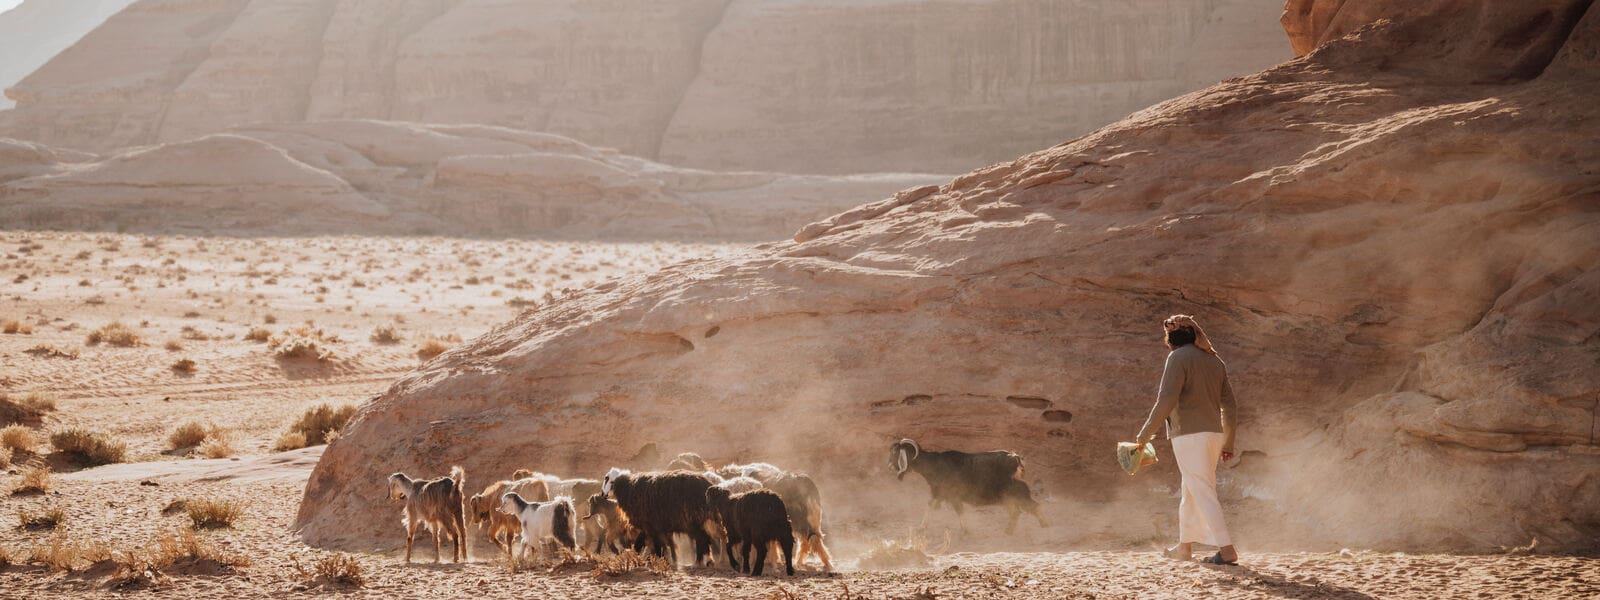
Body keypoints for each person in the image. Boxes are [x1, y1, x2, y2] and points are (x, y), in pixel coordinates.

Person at [1132, 314, 1239, 565]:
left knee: (1202, 490)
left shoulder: (1177, 357)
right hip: (1214, 435)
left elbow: (1166, 399)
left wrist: (1143, 435)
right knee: (1191, 490)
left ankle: (1226, 550)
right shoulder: (1215, 360)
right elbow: (1230, 406)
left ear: (1170, 339)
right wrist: (1228, 442)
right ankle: (1184, 547)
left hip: (1190, 435)